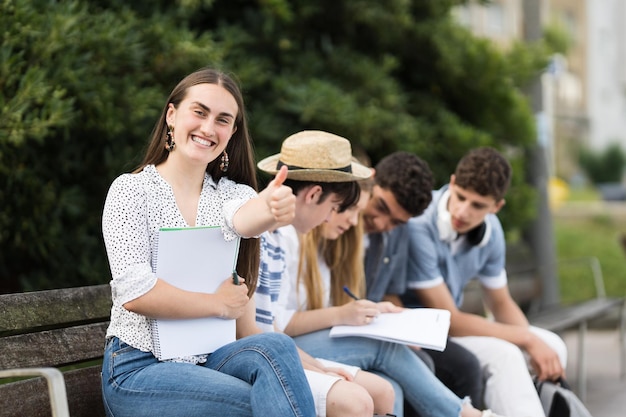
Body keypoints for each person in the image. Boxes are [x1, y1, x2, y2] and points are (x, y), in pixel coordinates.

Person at [100, 67, 316, 417]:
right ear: (172, 115)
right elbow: (135, 294)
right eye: (199, 112)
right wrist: (217, 304)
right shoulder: (131, 190)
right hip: (138, 368)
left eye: (222, 120)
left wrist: (270, 207)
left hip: (208, 359)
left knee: (275, 346)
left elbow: (245, 218)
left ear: (231, 133)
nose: (207, 128)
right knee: (259, 404)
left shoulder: (230, 195)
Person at [268, 152, 508, 417]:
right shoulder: (288, 238)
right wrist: (344, 314)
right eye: (341, 209)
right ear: (315, 197)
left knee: (392, 387)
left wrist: (371, 313)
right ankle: (464, 414)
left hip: (306, 342)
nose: (353, 221)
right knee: (391, 351)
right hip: (290, 347)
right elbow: (276, 325)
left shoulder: (333, 243)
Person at [386, 147, 568, 417]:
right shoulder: (420, 225)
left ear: (496, 207)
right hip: (426, 334)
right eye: (460, 197)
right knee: (505, 356)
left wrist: (535, 344)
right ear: (452, 182)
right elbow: (450, 320)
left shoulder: (492, 231)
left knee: (553, 346)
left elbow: (501, 302)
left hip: (453, 330)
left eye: (478, 205)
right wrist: (526, 339)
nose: (463, 211)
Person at [254, 130, 396, 417]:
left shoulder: (281, 238)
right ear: (315, 194)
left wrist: (317, 364)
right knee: (359, 401)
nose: (331, 218)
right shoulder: (258, 236)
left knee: (383, 392)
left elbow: (272, 328)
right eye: (334, 208)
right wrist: (312, 365)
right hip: (258, 355)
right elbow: (255, 333)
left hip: (277, 348)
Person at [361, 152, 486, 409]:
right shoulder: (343, 222)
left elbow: (390, 293)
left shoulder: (399, 232)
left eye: (396, 221)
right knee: (418, 370)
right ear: (372, 182)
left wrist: (403, 327)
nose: (382, 223)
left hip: (377, 327)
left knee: (463, 366)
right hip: (352, 328)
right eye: (381, 207)